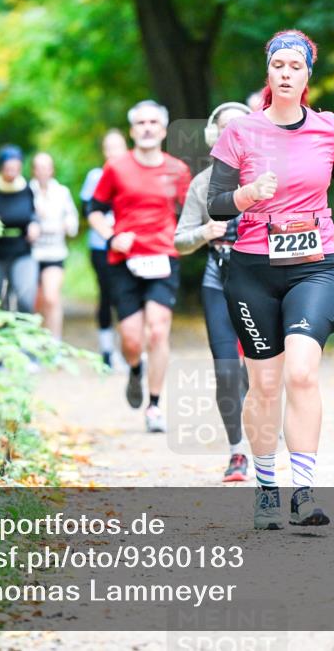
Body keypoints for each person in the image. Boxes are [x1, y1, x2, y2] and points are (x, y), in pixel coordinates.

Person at [207, 30, 334, 529]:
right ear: (268, 73)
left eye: (294, 67)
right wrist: (248, 194)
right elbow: (215, 204)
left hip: (316, 264)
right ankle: (265, 489)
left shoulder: (328, 127)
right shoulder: (242, 133)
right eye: (277, 65)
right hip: (254, 269)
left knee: (302, 372)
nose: (285, 73)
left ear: (306, 75)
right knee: (266, 383)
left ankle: (303, 491)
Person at [88, 100, 192, 433]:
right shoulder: (117, 168)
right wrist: (110, 234)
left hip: (163, 258)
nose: (147, 128)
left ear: (163, 130)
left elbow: (191, 211)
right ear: (133, 131)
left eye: (153, 123)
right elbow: (93, 209)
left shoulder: (177, 170)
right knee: (132, 339)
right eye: (141, 123)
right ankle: (135, 371)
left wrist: (189, 236)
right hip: (124, 261)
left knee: (158, 330)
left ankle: (155, 406)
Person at [175, 102, 252, 482]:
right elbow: (179, 241)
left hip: (261, 282)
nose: (232, 135)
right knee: (226, 371)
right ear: (213, 137)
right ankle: (237, 452)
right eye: (224, 129)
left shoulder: (269, 177)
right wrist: (204, 233)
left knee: (258, 370)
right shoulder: (202, 184)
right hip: (217, 280)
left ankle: (264, 430)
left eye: (239, 128)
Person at [81, 130, 129, 368]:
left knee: (128, 296)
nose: (114, 152)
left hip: (129, 246)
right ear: (104, 151)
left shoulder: (132, 174)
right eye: (109, 148)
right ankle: (108, 352)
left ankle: (129, 349)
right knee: (107, 295)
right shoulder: (96, 176)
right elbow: (88, 209)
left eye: (118, 147)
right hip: (101, 246)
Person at [0, 145, 41, 313]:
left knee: (25, 300)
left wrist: (34, 225)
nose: (12, 171)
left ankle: (25, 335)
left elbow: (33, 213)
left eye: (16, 167)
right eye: (8, 168)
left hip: (21, 250)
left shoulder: (27, 189)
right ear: (1, 167)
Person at [30, 152, 79, 341]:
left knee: (51, 297)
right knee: (36, 302)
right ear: (33, 170)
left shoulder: (62, 192)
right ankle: (35, 343)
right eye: (38, 167)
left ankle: (54, 343)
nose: (43, 171)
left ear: (52, 170)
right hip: (32, 254)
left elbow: (72, 220)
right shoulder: (27, 191)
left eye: (46, 167)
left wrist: (67, 225)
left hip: (55, 253)